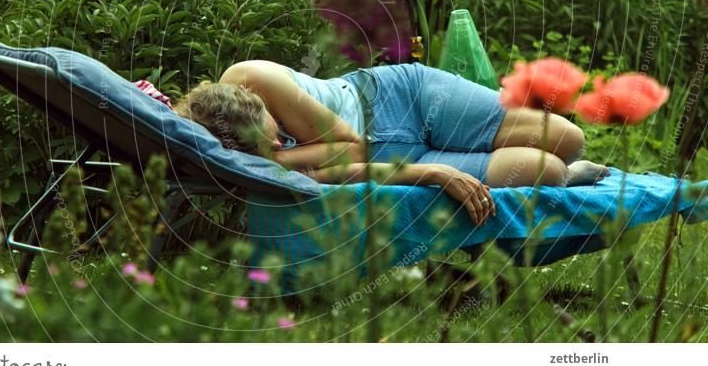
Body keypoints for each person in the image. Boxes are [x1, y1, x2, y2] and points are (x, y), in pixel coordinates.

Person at [173, 60, 611, 227]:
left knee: (569, 138)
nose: (279, 138)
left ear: (254, 103)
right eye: (268, 147)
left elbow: (350, 148)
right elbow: (354, 166)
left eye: (275, 130)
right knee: (551, 170)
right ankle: (566, 177)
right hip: (400, 156)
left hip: (403, 99)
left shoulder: (253, 80)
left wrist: (282, 157)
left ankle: (551, 163)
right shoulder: (243, 153)